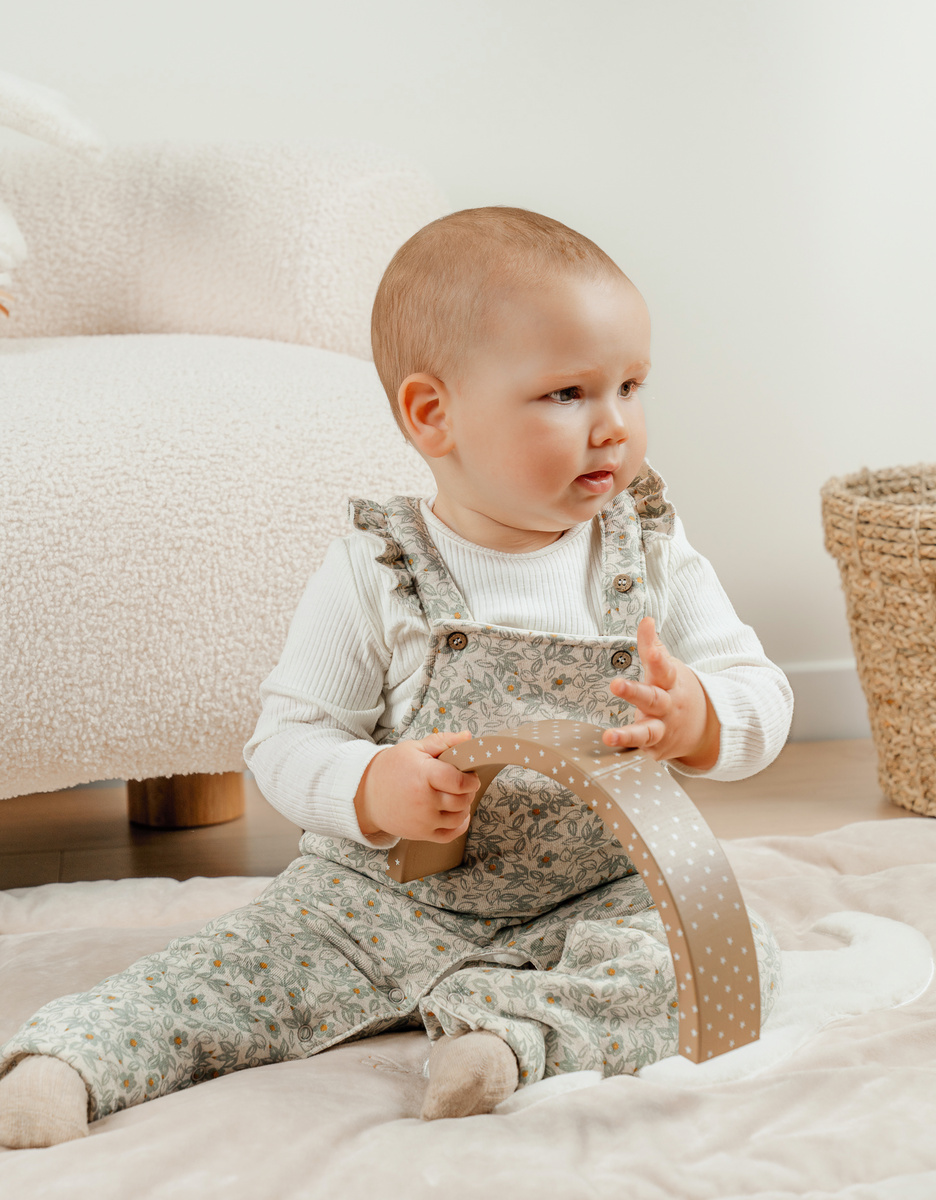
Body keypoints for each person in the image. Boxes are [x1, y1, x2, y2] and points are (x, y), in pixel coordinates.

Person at [0, 207, 791, 1147]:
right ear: (433, 414)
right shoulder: (378, 570)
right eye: (567, 393)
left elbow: (761, 691)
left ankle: (510, 1038)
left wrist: (702, 717)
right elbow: (286, 741)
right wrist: (372, 786)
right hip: (383, 896)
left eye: (630, 384)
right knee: (235, 967)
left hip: (595, 893)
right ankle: (77, 1057)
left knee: (726, 952)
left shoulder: (654, 554)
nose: (615, 424)